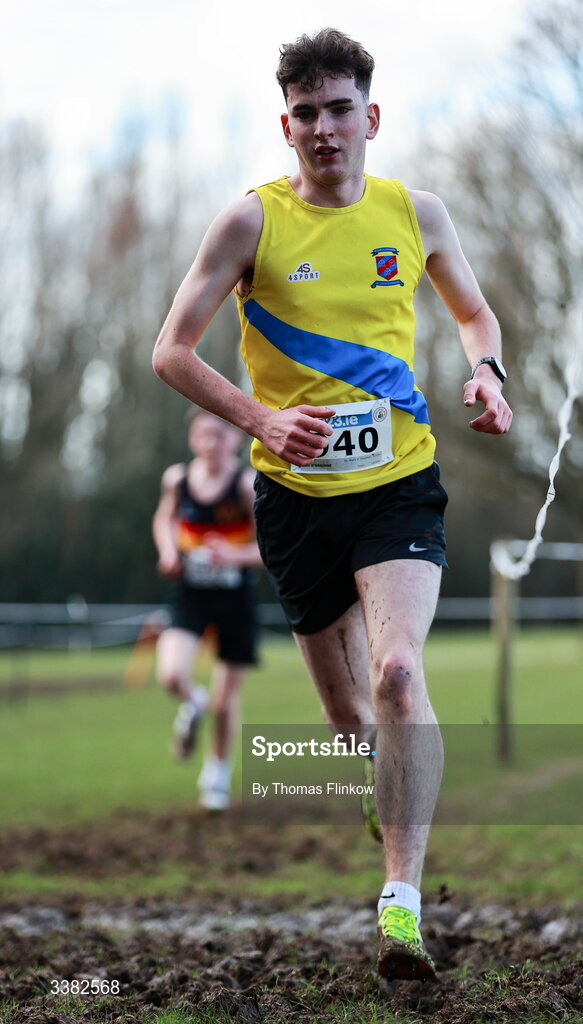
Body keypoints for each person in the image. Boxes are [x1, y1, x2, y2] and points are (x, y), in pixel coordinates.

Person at [152, 28, 512, 980]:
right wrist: (259, 420)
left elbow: (476, 314)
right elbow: (171, 351)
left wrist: (486, 373)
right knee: (353, 720)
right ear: (286, 125)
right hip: (295, 500)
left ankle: (400, 904)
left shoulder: (415, 212)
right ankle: (374, 786)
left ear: (370, 117)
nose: (323, 128)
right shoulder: (249, 225)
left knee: (398, 675)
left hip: (397, 485)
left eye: (339, 109)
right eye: (304, 114)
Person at [152, 410, 262, 811]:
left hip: (235, 598)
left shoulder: (247, 485)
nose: (210, 443)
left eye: (219, 435)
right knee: (170, 674)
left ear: (235, 440)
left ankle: (216, 775)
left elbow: (270, 548)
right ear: (192, 439)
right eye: (203, 435)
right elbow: (164, 518)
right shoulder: (177, 480)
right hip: (191, 595)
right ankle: (191, 703)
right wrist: (168, 551)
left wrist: (233, 554)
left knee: (225, 701)